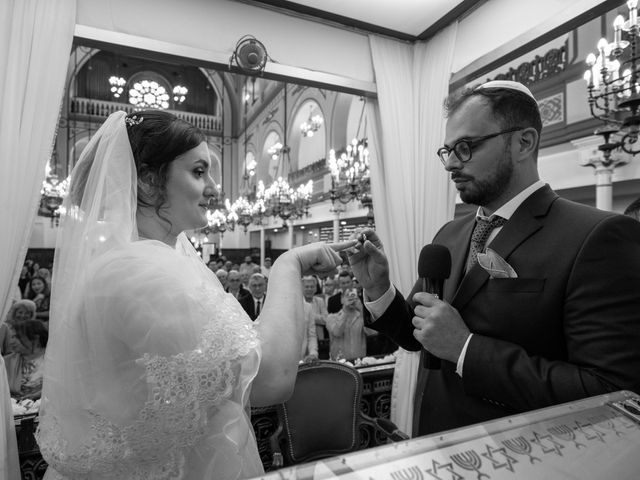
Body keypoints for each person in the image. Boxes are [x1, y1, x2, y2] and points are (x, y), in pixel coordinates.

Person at [35, 110, 353, 480]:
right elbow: (271, 378)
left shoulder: (151, 262)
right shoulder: (139, 273)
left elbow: (240, 350)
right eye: (198, 172)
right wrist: (288, 266)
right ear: (149, 182)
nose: (215, 189)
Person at [348, 80, 640, 436]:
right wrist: (379, 289)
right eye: (448, 150)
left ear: (523, 142)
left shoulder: (596, 236)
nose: (451, 164)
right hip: (436, 443)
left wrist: (466, 350)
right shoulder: (450, 235)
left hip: (526, 457)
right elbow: (420, 334)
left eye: (466, 147)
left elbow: (609, 392)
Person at [3, 319, 48, 401]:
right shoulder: (6, 362)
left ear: (35, 338)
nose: (11, 342)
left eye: (16, 337)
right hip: (17, 409)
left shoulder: (53, 359)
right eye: (11, 337)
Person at [325, 287, 367, 361]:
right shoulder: (331, 318)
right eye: (348, 297)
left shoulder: (362, 317)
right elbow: (337, 332)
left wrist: (363, 311)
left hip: (359, 361)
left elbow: (372, 333)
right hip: (339, 363)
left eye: (354, 298)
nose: (351, 301)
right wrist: (345, 311)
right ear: (342, 300)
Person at [301, 275, 329, 358]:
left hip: (320, 341)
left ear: (316, 288)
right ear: (302, 288)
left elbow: (326, 319)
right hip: (303, 346)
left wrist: (311, 316)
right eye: (307, 287)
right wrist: (318, 318)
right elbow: (322, 318)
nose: (309, 289)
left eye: (312, 287)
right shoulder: (298, 304)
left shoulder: (320, 301)